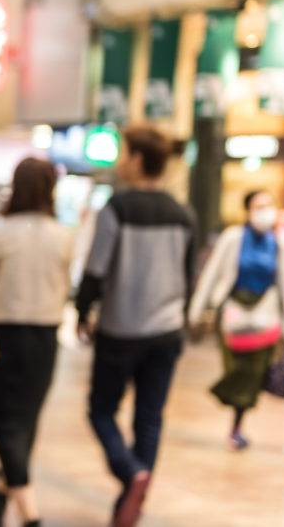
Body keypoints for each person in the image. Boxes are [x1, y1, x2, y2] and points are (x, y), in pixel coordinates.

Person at [75, 126, 196, 527]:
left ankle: (130, 473)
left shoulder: (118, 208)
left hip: (121, 329)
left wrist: (82, 311)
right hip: (166, 330)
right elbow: (188, 276)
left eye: (123, 154)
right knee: (150, 417)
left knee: (100, 411)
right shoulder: (184, 214)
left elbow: (95, 268)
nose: (119, 162)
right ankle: (136, 495)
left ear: (139, 160)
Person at [0, 157, 74, 527]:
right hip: (44, 337)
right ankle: (13, 502)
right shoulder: (63, 235)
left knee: (4, 419)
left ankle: (23, 509)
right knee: (27, 420)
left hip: (3, 333)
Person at [188, 191, 284, 450]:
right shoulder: (233, 238)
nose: (265, 211)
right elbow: (212, 274)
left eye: (269, 206)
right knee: (236, 368)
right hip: (234, 313)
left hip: (265, 316)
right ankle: (230, 400)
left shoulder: (277, 242)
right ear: (247, 210)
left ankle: (237, 422)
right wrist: (197, 311)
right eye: (259, 206)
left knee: (254, 371)